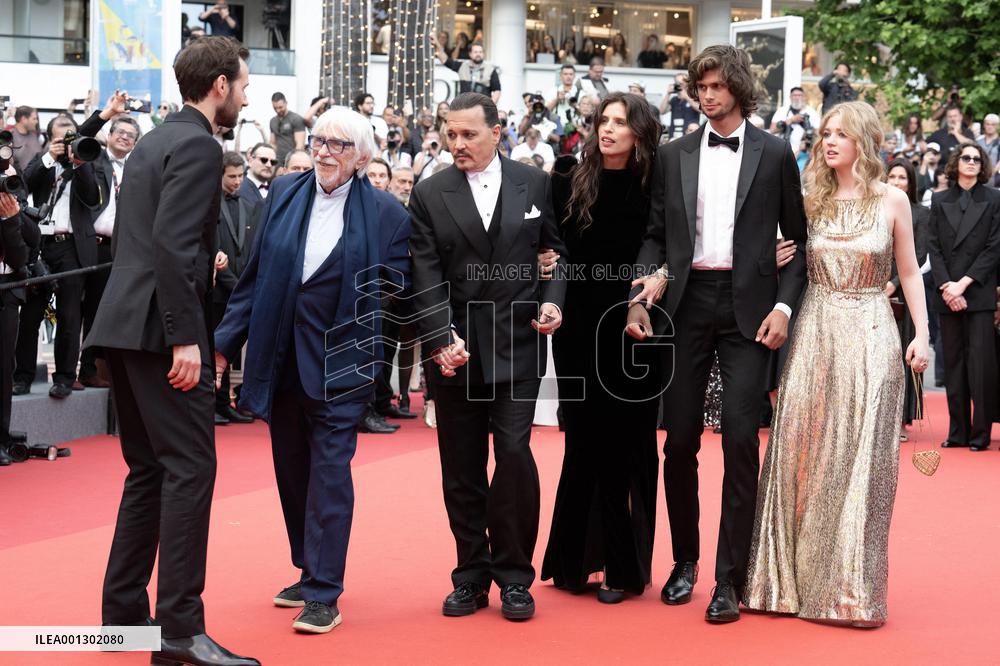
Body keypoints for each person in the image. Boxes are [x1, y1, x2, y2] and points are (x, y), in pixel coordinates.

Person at [84, 36, 258, 666]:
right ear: (218, 86)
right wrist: (187, 336)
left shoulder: (156, 138)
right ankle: (180, 630)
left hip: (125, 326)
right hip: (163, 332)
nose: (244, 94)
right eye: (240, 84)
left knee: (150, 470)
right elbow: (175, 245)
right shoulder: (197, 144)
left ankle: (124, 614)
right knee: (189, 470)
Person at [625, 44, 808, 623]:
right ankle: (685, 561)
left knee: (738, 440)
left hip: (750, 309)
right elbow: (654, 236)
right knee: (678, 441)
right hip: (685, 304)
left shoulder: (775, 153)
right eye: (699, 86)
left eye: (715, 86)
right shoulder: (676, 154)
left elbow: (798, 243)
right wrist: (640, 289)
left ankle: (729, 577)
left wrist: (783, 306)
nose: (706, 95)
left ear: (737, 88)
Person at [214, 106, 410, 634]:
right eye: (319, 140)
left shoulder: (389, 214)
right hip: (280, 360)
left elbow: (400, 288)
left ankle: (325, 590)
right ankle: (308, 567)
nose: (323, 151)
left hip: (342, 366)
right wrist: (222, 346)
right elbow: (253, 278)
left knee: (329, 476)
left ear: (363, 156)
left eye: (338, 145)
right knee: (292, 473)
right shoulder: (283, 194)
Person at [745, 101, 930, 627]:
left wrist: (921, 333)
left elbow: (910, 272)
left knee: (862, 460)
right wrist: (777, 255)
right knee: (799, 450)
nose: (829, 142)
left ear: (864, 141)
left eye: (841, 134)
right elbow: (786, 258)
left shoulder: (893, 200)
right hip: (814, 333)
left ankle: (849, 590)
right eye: (826, 133)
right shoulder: (811, 201)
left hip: (872, 333)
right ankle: (781, 585)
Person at [408, 92, 567, 622]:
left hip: (519, 345)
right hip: (455, 350)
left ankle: (516, 577)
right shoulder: (430, 194)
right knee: (462, 466)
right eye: (450, 134)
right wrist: (438, 339)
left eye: (468, 134)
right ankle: (471, 576)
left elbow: (557, 255)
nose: (457, 144)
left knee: (516, 457)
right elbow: (425, 275)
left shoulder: (535, 182)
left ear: (497, 132)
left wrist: (551, 301)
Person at [541, 92, 662, 604]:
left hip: (635, 323)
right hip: (577, 326)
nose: (607, 130)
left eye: (619, 122)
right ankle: (574, 562)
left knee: (629, 445)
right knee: (583, 441)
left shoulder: (657, 183)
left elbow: (672, 246)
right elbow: (554, 244)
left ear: (640, 132)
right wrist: (545, 263)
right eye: (603, 121)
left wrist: (649, 290)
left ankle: (623, 567)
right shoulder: (568, 176)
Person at [14, 115, 101, 399]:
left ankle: (64, 377)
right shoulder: (41, 161)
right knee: (30, 315)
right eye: (60, 139)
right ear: (50, 138)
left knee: (69, 315)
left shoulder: (87, 160)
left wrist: (80, 162)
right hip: (39, 246)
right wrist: (51, 157)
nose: (66, 144)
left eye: (70, 138)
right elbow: (24, 184)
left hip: (72, 247)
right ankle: (22, 376)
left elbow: (92, 198)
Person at [927, 142, 1000, 451]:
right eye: (966, 158)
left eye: (977, 159)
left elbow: (994, 247)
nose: (971, 162)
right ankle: (958, 431)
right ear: (956, 163)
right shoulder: (940, 200)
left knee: (981, 367)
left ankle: (980, 434)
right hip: (948, 296)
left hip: (979, 294)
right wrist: (948, 287)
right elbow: (934, 247)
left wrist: (963, 284)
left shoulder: (995, 198)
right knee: (953, 364)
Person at [77, 92, 142, 389]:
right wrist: (106, 113)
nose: (126, 138)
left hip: (120, 251)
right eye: (121, 132)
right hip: (88, 245)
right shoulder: (96, 159)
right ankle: (68, 371)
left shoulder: (138, 170)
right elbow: (79, 136)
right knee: (74, 311)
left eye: (132, 136)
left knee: (101, 311)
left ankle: (91, 369)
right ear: (111, 135)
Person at [212, 150, 258, 426]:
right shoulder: (208, 203)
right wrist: (234, 283)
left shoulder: (247, 204)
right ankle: (211, 406)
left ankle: (224, 404)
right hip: (218, 289)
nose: (237, 182)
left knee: (226, 349)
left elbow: (247, 247)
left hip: (238, 289)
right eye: (232, 177)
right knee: (213, 347)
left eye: (241, 176)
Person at [884, 158, 930, 435]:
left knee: (904, 355)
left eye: (903, 177)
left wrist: (893, 283)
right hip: (873, 290)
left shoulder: (921, 214)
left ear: (911, 183)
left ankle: (901, 419)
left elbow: (919, 256)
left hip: (903, 294)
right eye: (893, 176)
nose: (898, 181)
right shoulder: (878, 207)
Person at [0, 186, 34, 467]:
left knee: (3, 369)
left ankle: (1, 439)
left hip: (7, 292)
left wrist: (11, 219)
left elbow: (21, 258)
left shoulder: (12, 203)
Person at [431, 36, 502, 103]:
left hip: (482, 109)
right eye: (476, 52)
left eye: (480, 52)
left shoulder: (490, 70)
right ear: (470, 54)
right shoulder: (462, 66)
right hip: (465, 107)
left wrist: (489, 108)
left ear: (483, 54)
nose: (478, 54)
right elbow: (445, 60)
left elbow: (497, 91)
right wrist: (437, 44)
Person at [769, 86, 820, 158]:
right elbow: (772, 130)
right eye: (794, 95)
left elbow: (819, 133)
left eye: (799, 95)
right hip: (783, 151)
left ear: (804, 97)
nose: (797, 98)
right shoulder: (782, 110)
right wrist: (791, 120)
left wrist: (808, 129)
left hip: (804, 153)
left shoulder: (811, 112)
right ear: (790, 97)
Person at [659, 73, 701, 140]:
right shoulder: (674, 100)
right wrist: (668, 94)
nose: (680, 85)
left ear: (688, 83)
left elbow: (701, 110)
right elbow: (662, 111)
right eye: (677, 83)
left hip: (690, 136)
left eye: (682, 82)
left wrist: (687, 97)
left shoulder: (695, 97)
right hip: (674, 137)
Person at [269, 92, 306, 164]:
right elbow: (272, 143)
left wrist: (293, 161)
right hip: (277, 161)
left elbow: (300, 145)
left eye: (280, 107)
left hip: (291, 161)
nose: (278, 110)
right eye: (275, 108)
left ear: (286, 103)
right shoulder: (272, 121)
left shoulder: (296, 119)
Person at [9, 106, 42, 172]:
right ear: (23, 119)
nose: (36, 122)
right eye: (34, 119)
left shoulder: (34, 136)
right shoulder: (9, 136)